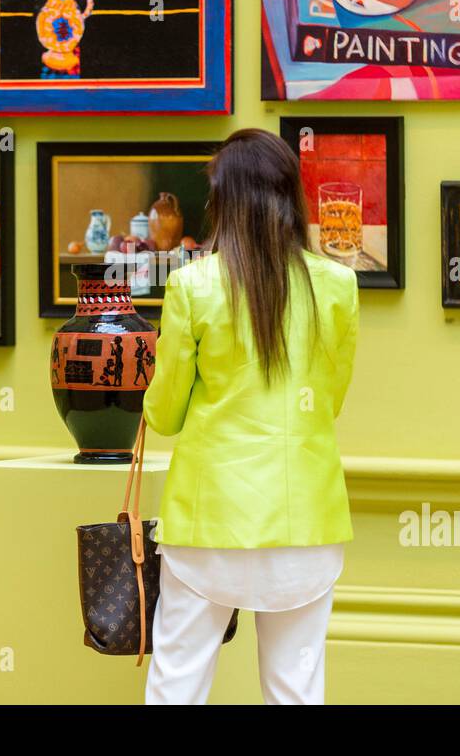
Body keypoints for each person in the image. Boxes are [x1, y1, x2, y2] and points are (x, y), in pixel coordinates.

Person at [141, 128, 360, 705]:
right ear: (291, 197)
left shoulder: (191, 286)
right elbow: (328, 401)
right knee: (296, 689)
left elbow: (163, 415)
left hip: (209, 521)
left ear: (224, 200)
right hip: (305, 521)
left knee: (178, 681)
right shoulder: (338, 286)